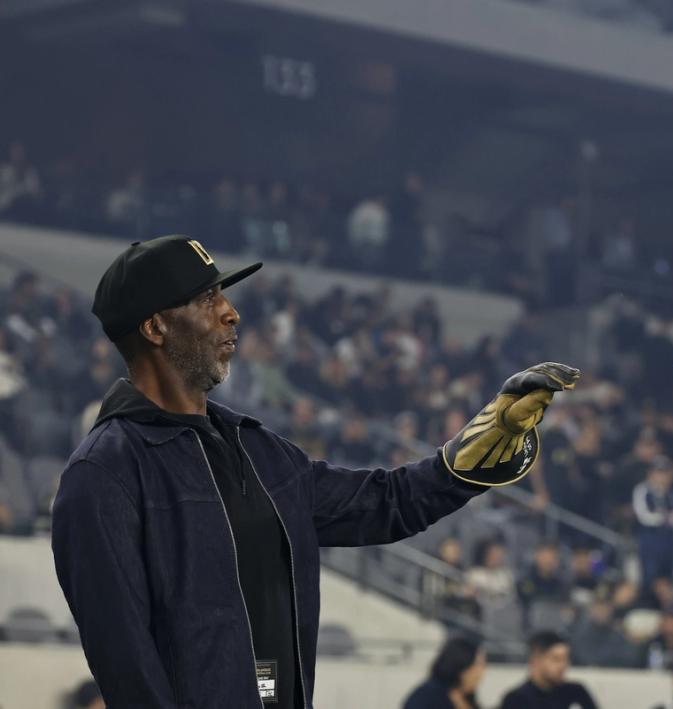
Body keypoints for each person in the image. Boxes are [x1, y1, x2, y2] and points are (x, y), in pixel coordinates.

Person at [50, 235, 579, 709]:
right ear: (155, 326)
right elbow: (126, 664)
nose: (230, 312)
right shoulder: (103, 473)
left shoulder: (259, 450)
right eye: (207, 299)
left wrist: (478, 450)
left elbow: (385, 505)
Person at [633, 456, 673, 594]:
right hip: (650, 539)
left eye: (665, 473)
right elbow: (643, 516)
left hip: (669, 540)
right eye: (659, 472)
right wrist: (667, 518)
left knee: (668, 576)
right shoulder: (643, 490)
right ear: (651, 474)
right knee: (649, 575)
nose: (662, 477)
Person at [499, 630, 598, 709]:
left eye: (566, 659)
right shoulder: (517, 699)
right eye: (556, 659)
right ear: (536, 660)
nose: (563, 665)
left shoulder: (576, 692)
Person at [403, 636, 486, 709]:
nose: (482, 670)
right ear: (462, 665)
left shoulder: (466, 696)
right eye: (478, 664)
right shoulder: (427, 696)